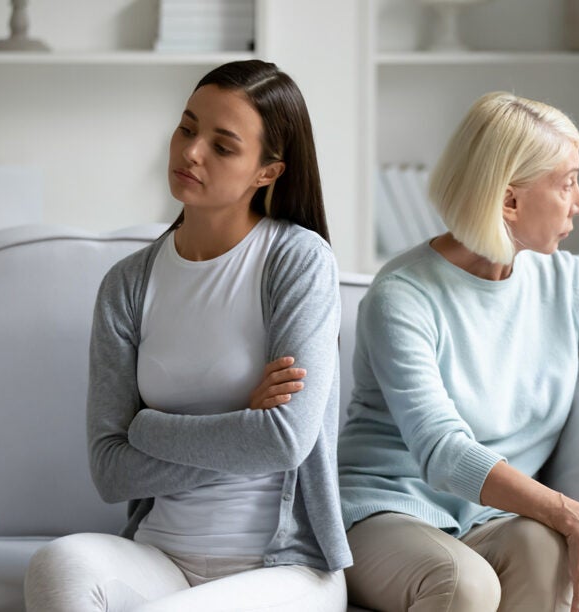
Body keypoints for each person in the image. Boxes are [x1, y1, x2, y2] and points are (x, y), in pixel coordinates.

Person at [338, 92, 579, 612]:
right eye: (567, 183)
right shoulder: (402, 297)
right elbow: (443, 453)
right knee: (466, 585)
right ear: (509, 201)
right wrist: (575, 514)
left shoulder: (563, 282)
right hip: (386, 511)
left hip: (487, 519)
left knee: (549, 555)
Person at [24, 59, 350, 612]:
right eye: (187, 127)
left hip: (283, 568)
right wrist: (240, 422)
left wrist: (148, 428)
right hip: (161, 556)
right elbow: (109, 468)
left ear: (266, 172)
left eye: (222, 147)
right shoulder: (128, 284)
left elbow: (284, 441)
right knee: (58, 568)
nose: (191, 152)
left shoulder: (297, 261)